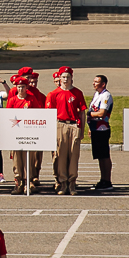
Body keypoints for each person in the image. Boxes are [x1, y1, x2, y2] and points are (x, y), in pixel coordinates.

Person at [49, 66, 86, 195]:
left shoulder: (77, 93)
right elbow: (49, 114)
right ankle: (63, 183)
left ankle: (72, 183)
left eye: (68, 77)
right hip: (60, 125)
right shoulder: (53, 94)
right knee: (61, 155)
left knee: (73, 154)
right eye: (63, 77)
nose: (66, 79)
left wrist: (82, 130)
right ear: (59, 78)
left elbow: (82, 112)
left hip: (74, 125)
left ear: (72, 78)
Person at [84, 74, 115, 192]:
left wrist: (87, 114)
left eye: (96, 82)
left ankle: (107, 180)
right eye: (94, 81)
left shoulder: (106, 95)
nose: (94, 83)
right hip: (95, 129)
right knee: (100, 157)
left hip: (102, 129)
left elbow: (101, 113)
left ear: (103, 84)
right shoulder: (97, 94)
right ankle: (103, 180)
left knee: (104, 156)